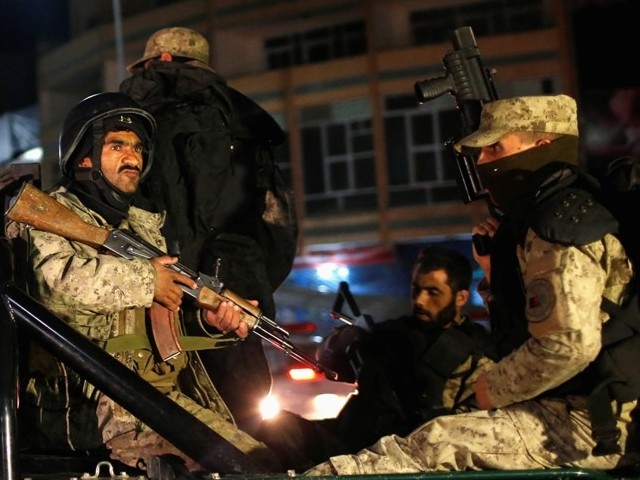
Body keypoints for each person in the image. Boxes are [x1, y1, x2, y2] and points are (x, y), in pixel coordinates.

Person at [301, 94, 639, 475]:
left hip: (593, 422)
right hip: (589, 410)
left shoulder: (559, 225)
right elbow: (529, 328)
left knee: (433, 445)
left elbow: (567, 345)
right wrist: (497, 273)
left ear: (542, 145)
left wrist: (493, 387)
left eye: (495, 147)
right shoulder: (552, 217)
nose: (482, 162)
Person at [7, 92, 278, 473]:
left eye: (137, 147)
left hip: (151, 396)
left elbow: (155, 318)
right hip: (89, 408)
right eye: (116, 145)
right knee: (237, 467)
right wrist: (148, 278)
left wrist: (208, 320)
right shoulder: (48, 217)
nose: (133, 157)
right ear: (84, 156)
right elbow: (57, 283)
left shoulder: (142, 227)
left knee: (259, 462)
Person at [119, 26, 298, 435]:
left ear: (160, 60)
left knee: (157, 427)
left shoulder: (129, 114)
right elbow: (278, 224)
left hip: (151, 291)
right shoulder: (249, 122)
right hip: (231, 296)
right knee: (245, 432)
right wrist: (251, 283)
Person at [315, 245, 493, 454]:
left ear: (461, 298)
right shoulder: (389, 334)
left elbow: (474, 430)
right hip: (355, 448)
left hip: (423, 457)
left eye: (433, 292)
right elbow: (329, 365)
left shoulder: (478, 351)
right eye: (416, 289)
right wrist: (346, 339)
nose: (420, 300)